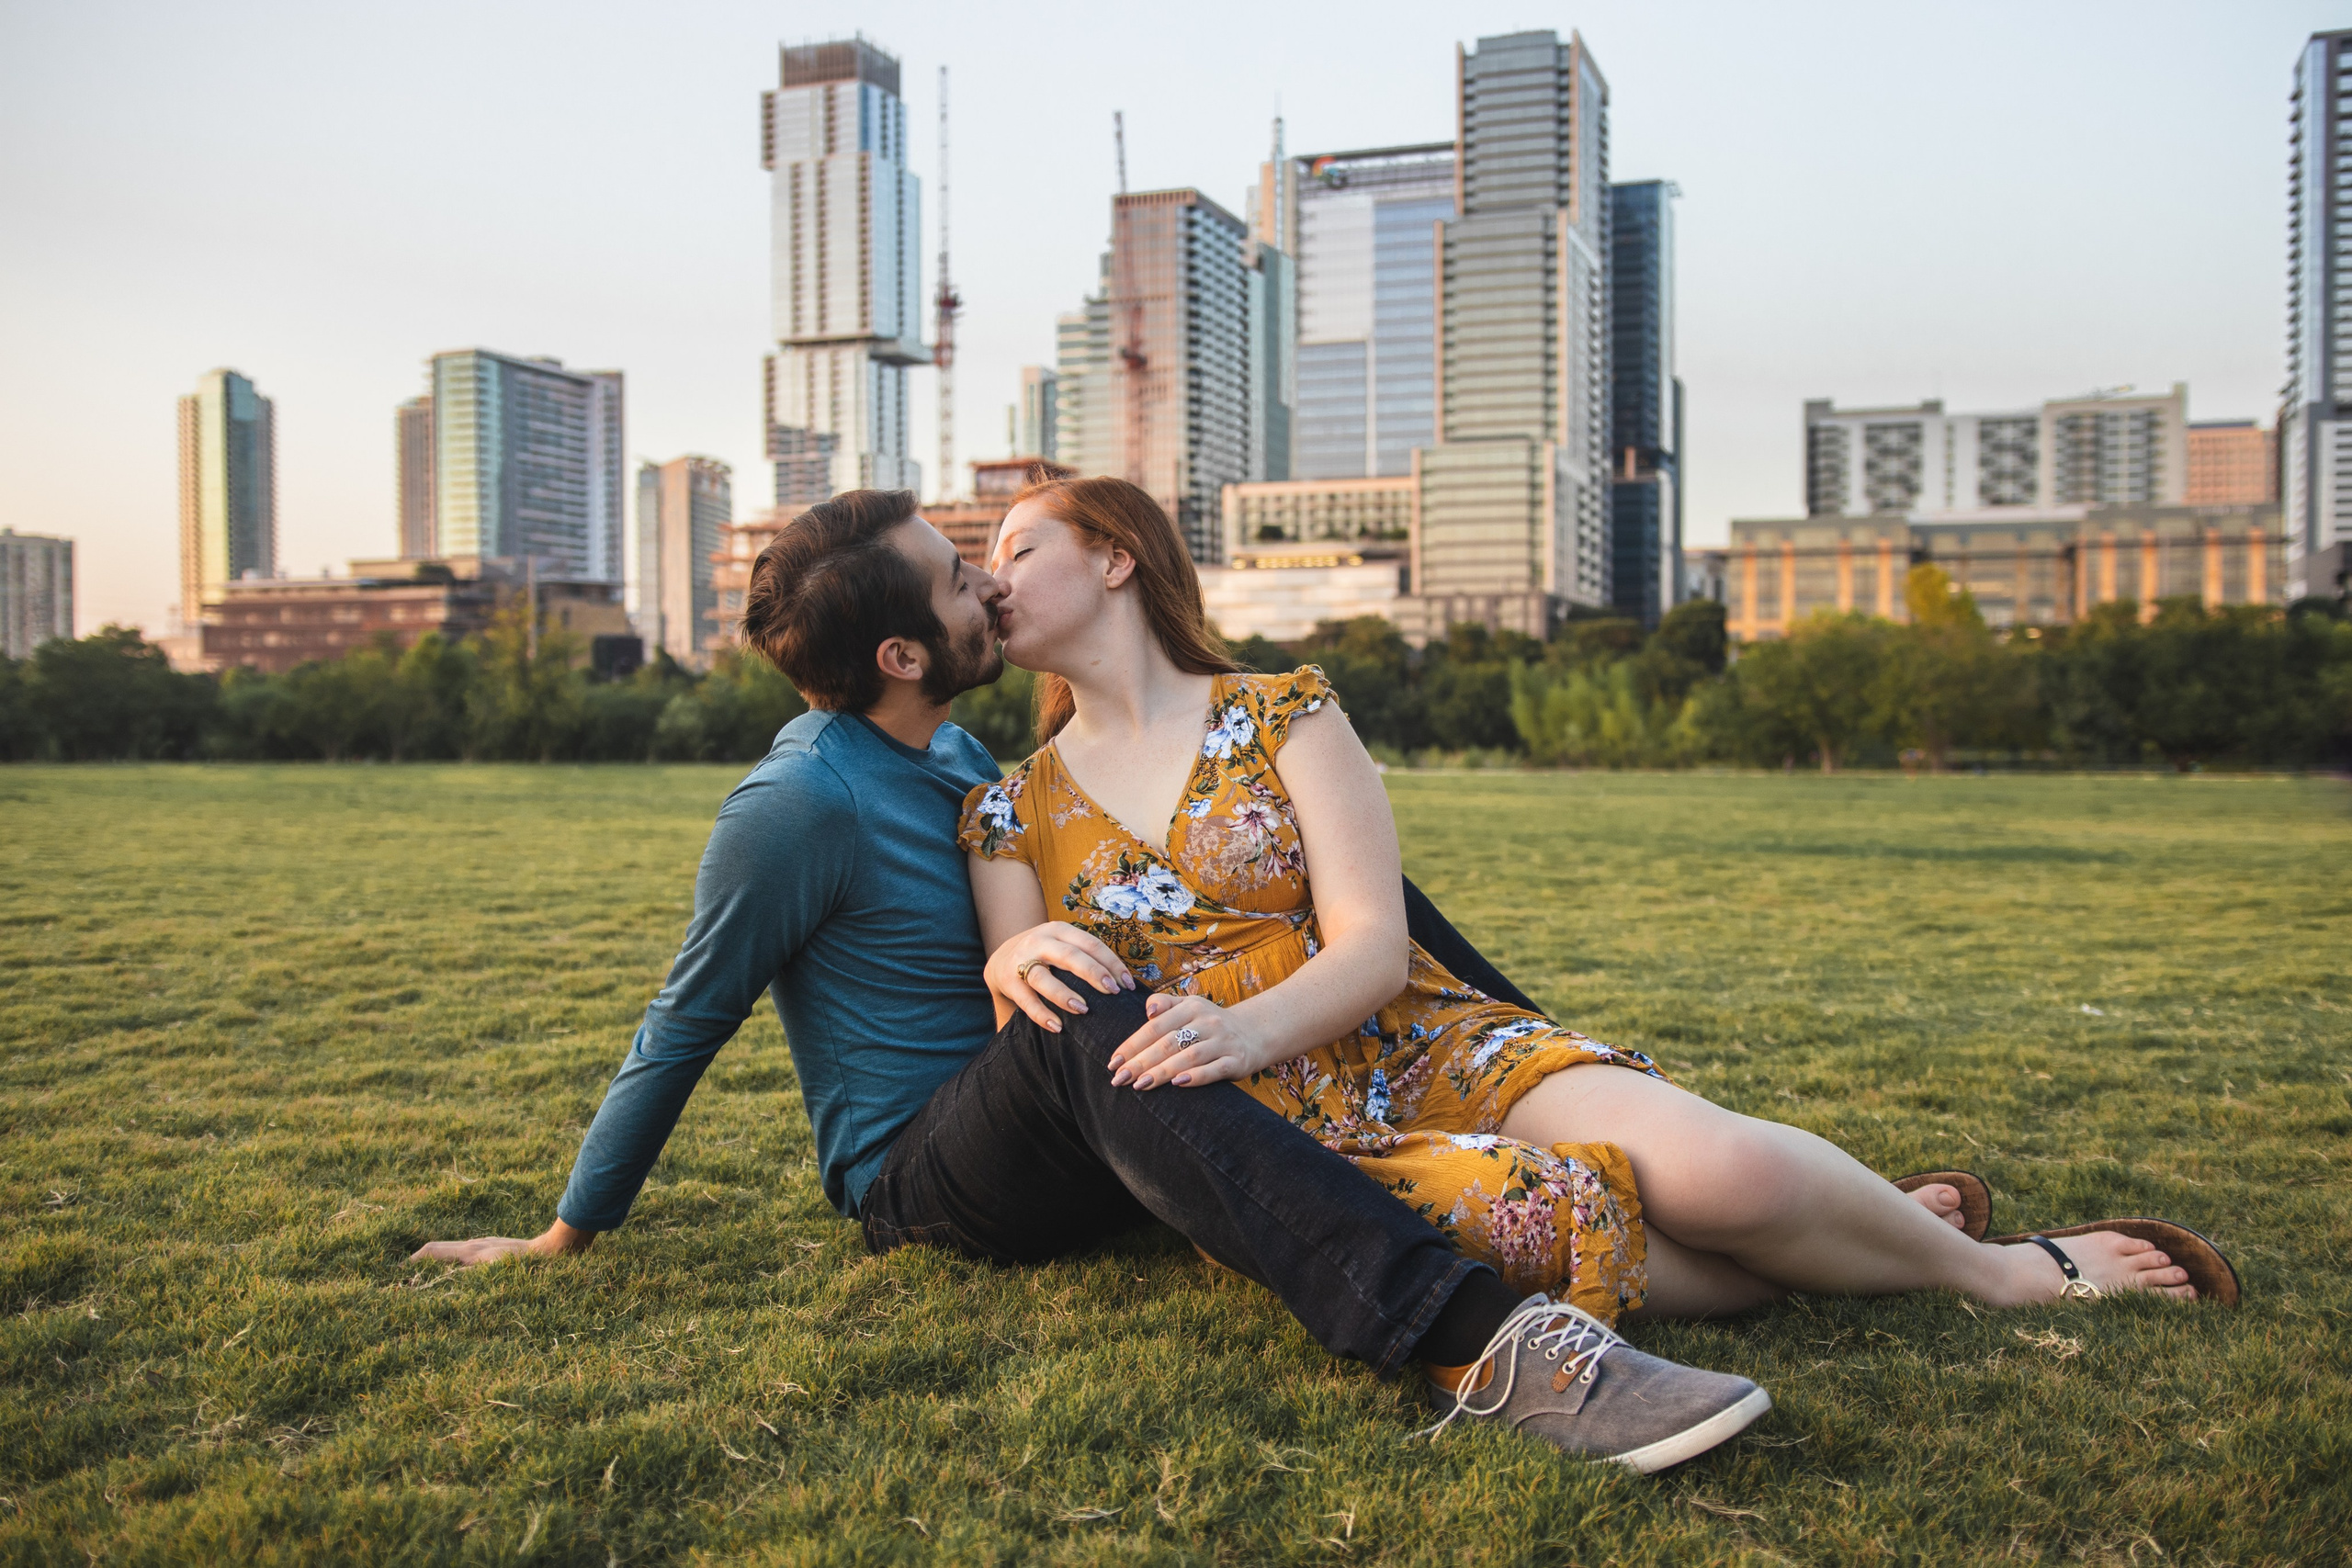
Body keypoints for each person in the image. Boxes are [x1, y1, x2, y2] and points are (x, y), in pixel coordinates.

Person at [413, 481, 1776, 1475]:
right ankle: (1483, 1347)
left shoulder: (964, 767)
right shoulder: (790, 809)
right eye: (959, 582)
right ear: (902, 656)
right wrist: (564, 1235)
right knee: (1084, 1016)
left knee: (1323, 890)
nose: (986, 592)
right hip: (930, 1176)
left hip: (1096, 1122)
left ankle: (1714, 1168)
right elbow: (680, 1026)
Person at [954, 471, 2241, 1396]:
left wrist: (1242, 1019)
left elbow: (1371, 943)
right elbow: (1043, 1039)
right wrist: (1007, 958)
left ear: (1117, 555)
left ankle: (2002, 1274)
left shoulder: (1284, 711)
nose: (990, 580)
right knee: (1552, 1218)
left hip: (1414, 1037)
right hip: (1274, 1134)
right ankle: (1895, 1238)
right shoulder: (1009, 811)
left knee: (1728, 1176)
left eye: (1017, 547)